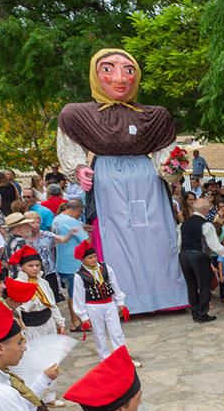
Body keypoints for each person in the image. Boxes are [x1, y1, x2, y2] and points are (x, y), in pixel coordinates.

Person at [56, 48, 186, 314]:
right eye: (108, 69)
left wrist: (173, 168)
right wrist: (79, 169)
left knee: (157, 237)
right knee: (116, 240)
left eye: (129, 70)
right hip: (108, 182)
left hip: (146, 181)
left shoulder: (155, 115)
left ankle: (165, 297)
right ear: (95, 74)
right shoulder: (77, 114)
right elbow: (70, 152)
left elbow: (166, 159)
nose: (121, 77)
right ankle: (124, 301)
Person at [72, 241, 135, 363]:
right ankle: (105, 359)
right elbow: (78, 297)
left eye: (95, 256)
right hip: (93, 307)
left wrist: (120, 302)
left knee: (116, 332)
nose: (94, 259)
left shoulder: (106, 268)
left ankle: (123, 357)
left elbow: (114, 285)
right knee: (99, 334)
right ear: (82, 259)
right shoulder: (79, 276)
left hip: (109, 304)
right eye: (90, 258)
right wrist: (83, 316)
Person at [179, 191, 224, 323]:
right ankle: (203, 313)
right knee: (203, 285)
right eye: (209, 208)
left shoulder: (184, 224)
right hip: (198, 255)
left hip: (184, 255)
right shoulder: (206, 225)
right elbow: (214, 245)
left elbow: (178, 243)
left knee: (191, 285)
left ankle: (195, 313)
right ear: (205, 210)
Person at [10, 245, 65, 338]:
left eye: (37, 265)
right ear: (22, 267)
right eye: (30, 266)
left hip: (49, 323)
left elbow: (52, 304)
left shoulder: (43, 283)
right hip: (31, 328)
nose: (35, 268)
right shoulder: (17, 284)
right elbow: (17, 311)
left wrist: (59, 322)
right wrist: (21, 332)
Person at [50, 199, 89, 330]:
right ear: (78, 210)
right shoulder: (71, 222)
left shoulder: (57, 219)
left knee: (72, 293)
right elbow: (85, 241)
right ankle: (76, 322)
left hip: (62, 263)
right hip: (73, 263)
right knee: (75, 294)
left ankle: (76, 320)